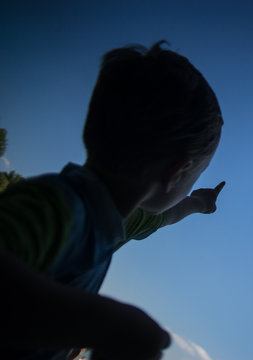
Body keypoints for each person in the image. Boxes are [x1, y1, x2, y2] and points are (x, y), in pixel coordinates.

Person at [0, 40, 225, 360]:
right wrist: (107, 323)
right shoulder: (57, 206)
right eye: (194, 177)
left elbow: (167, 215)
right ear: (177, 172)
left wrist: (200, 202)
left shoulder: (113, 218)